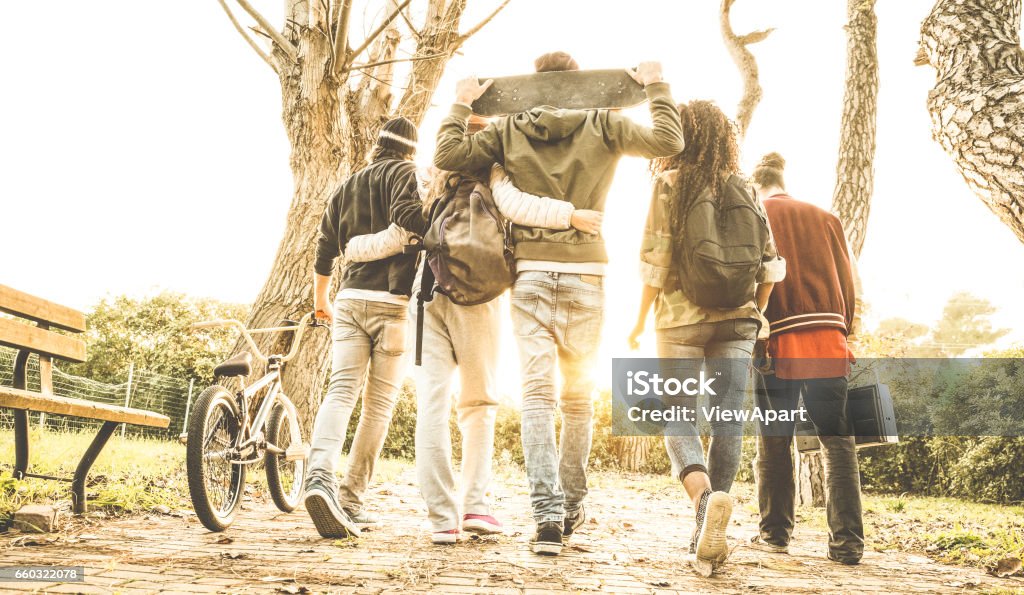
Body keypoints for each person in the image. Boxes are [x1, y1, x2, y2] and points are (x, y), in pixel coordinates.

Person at [434, 52, 684, 556]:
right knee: (577, 400)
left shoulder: (507, 132)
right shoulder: (607, 124)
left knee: (537, 398)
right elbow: (669, 141)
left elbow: (447, 155)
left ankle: (546, 518)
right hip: (588, 273)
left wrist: (461, 104)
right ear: (580, 82)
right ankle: (570, 507)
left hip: (529, 273)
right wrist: (657, 86)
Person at [347, 118, 603, 544]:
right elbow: (519, 207)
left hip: (428, 292)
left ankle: (441, 518)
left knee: (432, 402)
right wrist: (572, 216)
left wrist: (351, 247)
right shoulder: (496, 171)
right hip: (479, 300)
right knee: (479, 404)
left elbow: (398, 233)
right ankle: (476, 507)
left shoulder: (431, 177)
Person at [627, 101, 785, 573]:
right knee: (728, 420)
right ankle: (713, 521)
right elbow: (772, 263)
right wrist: (757, 310)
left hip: (679, 317)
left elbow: (655, 260)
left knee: (677, 411)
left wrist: (637, 320)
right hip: (738, 319)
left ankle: (702, 505)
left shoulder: (669, 183)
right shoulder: (746, 187)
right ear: (724, 138)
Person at [304, 116, 428, 539]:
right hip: (392, 304)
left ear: (377, 144)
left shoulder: (347, 185)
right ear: (411, 149)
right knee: (378, 407)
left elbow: (325, 247)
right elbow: (410, 223)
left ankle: (317, 477)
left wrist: (322, 299)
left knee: (340, 391)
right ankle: (352, 499)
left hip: (348, 300)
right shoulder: (407, 174)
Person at [747, 152, 864, 565]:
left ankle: (775, 534)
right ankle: (847, 543)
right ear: (782, 179)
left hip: (777, 344)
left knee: (774, 441)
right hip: (828, 342)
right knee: (838, 443)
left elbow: (752, 276)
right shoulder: (826, 218)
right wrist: (843, 331)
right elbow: (849, 283)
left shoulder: (755, 214)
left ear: (755, 184)